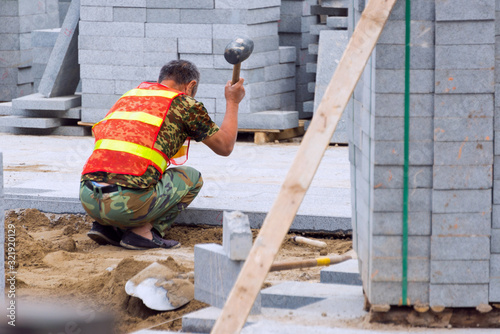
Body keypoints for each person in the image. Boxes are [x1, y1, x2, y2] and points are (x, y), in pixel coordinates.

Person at [79, 59, 245, 250]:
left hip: (88, 197)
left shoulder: (130, 96)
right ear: (191, 86)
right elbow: (225, 146)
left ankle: (108, 227)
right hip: (124, 205)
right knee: (191, 178)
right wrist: (232, 101)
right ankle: (142, 233)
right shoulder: (183, 103)